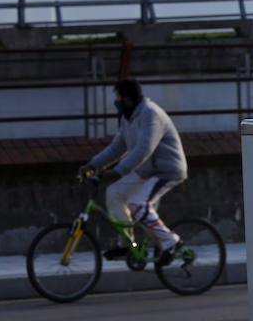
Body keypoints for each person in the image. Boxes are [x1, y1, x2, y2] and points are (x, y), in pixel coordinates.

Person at [76, 78, 186, 265]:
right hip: (146, 172)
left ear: (127, 99)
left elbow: (144, 149)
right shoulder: (130, 117)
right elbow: (117, 147)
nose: (116, 101)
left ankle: (170, 241)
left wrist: (118, 172)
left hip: (166, 171)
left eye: (118, 97)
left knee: (137, 205)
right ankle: (129, 244)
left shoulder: (151, 114)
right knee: (114, 193)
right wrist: (93, 165)